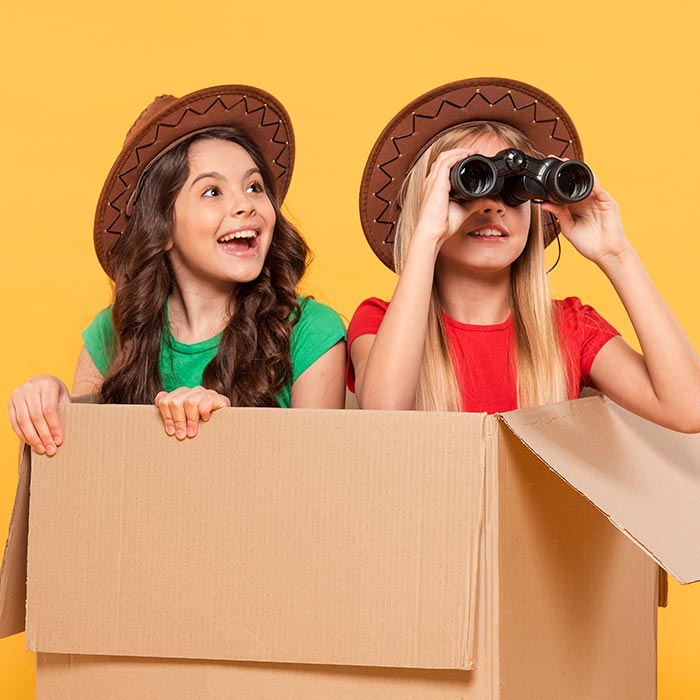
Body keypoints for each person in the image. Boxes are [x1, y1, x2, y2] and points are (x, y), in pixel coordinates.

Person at [348, 77, 700, 431]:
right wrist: (428, 234)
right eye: (471, 185)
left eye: (513, 190)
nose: (491, 206)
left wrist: (616, 253)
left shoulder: (569, 329)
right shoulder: (379, 321)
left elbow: (689, 409)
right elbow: (383, 417)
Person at [9, 85, 346, 454]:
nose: (245, 205)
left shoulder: (312, 333)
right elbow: (89, 468)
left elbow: (316, 486)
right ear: (163, 229)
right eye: (212, 192)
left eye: (254, 186)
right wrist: (51, 403)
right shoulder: (111, 334)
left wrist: (228, 432)